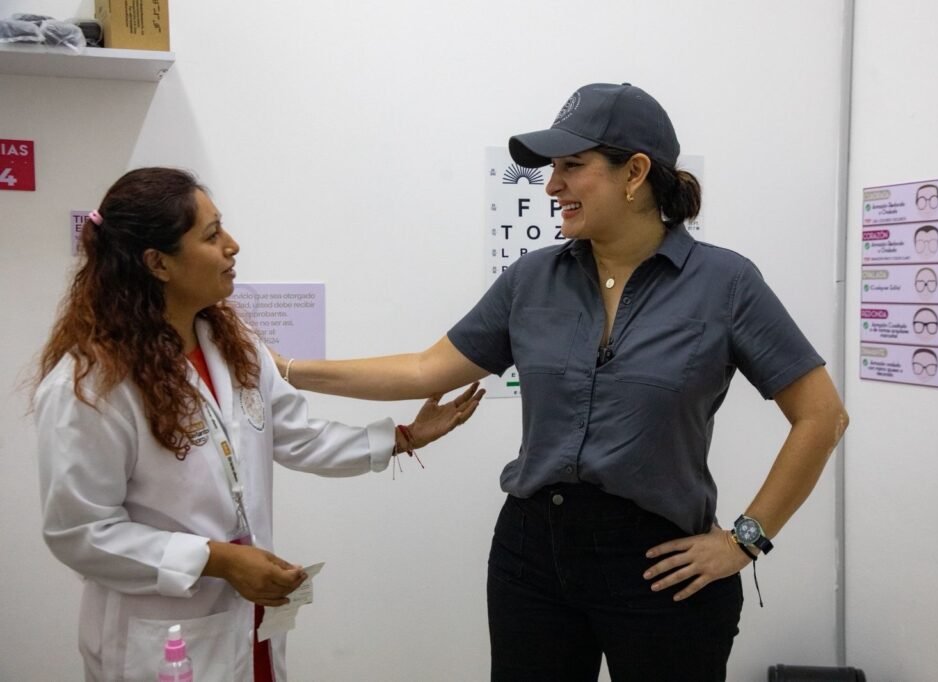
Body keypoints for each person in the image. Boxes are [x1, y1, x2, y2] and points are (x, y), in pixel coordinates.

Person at [278, 83, 849, 681]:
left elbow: (822, 416)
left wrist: (743, 542)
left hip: (661, 567)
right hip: (532, 558)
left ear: (635, 173)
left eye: (572, 166)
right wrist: (285, 369)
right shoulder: (531, 279)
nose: (552, 186)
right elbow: (425, 370)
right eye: (553, 169)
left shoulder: (726, 284)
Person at [33, 167, 483, 682]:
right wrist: (216, 559)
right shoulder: (92, 386)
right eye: (211, 235)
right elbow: (81, 533)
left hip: (247, 625)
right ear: (158, 263)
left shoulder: (234, 346)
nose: (233, 245)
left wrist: (404, 438)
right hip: (160, 635)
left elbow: (299, 437)